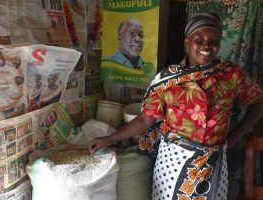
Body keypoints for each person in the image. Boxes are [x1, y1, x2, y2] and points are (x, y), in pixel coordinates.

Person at [89, 12, 263, 200]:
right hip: (174, 162)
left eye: (213, 40)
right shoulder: (168, 81)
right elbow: (145, 118)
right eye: (199, 39)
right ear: (187, 42)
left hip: (214, 164)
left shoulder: (231, 75)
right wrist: (110, 139)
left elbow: (258, 103)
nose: (206, 45)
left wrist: (235, 136)